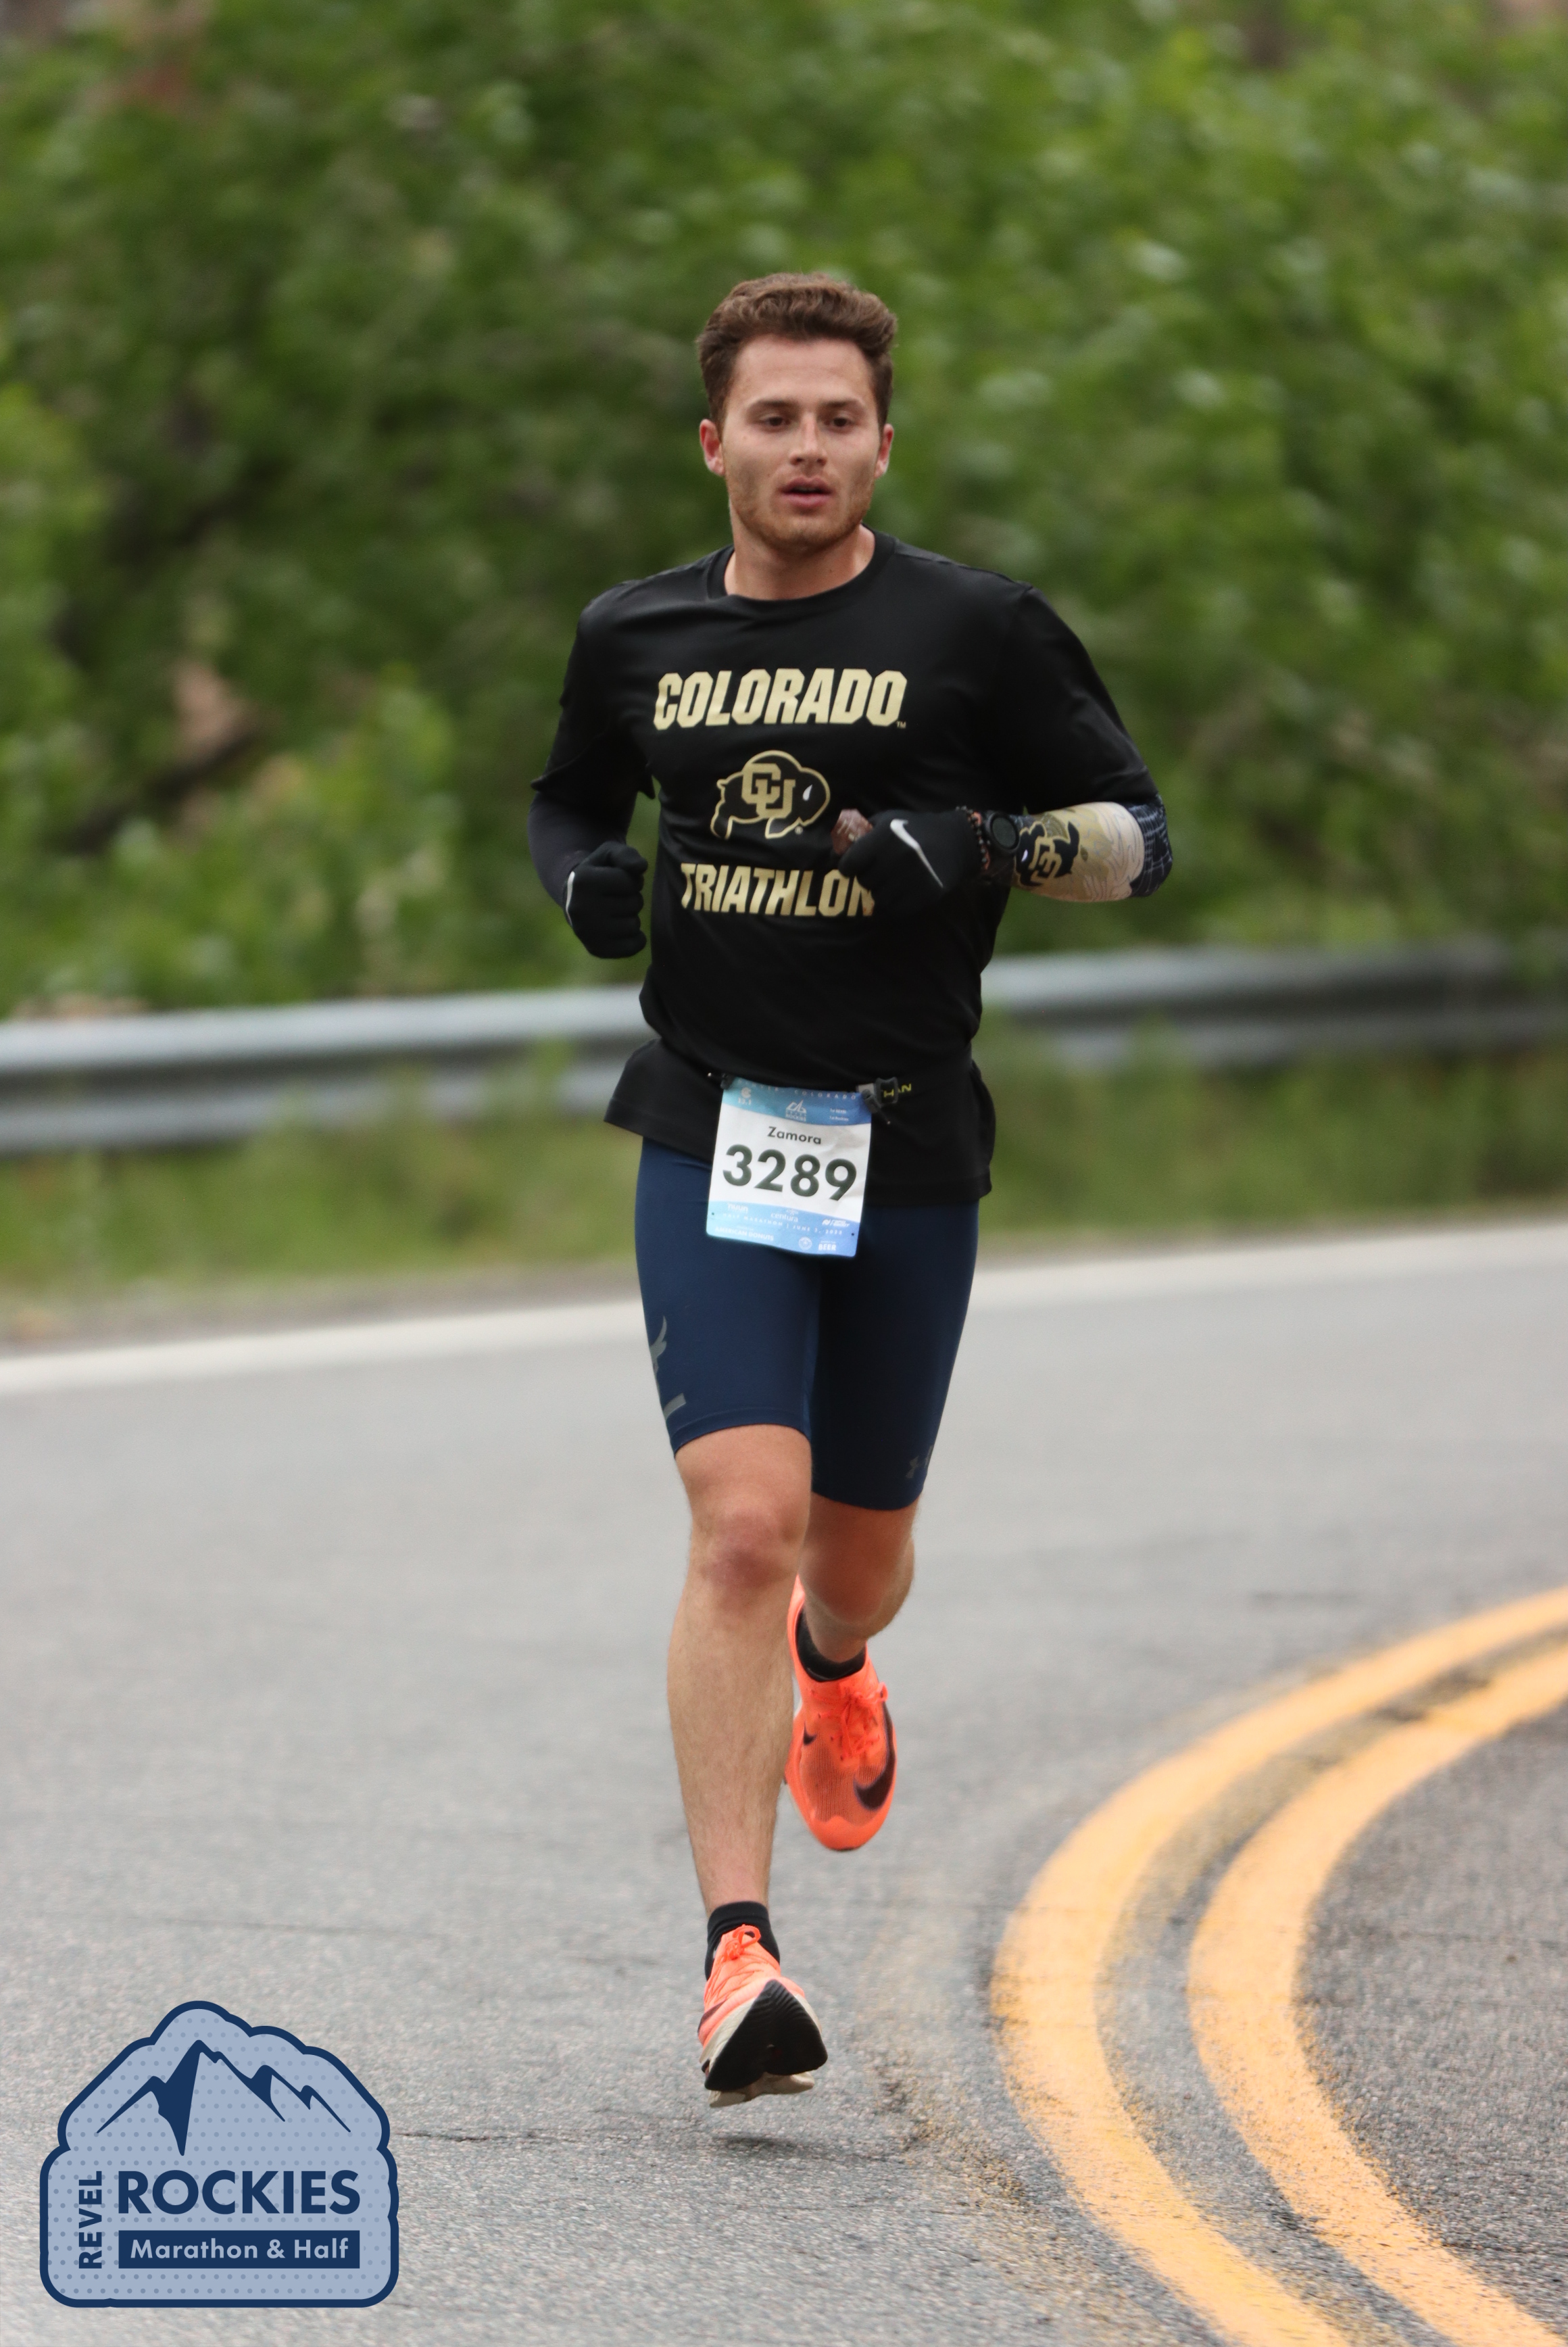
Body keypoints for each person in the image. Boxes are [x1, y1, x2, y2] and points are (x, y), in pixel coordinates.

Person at [528, 273, 1171, 2106]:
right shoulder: (635, 633)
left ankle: (837, 1659)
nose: (805, 448)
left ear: (883, 444)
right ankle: (738, 1956)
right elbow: (568, 802)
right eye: (774, 418)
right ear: (713, 440)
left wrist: (977, 845)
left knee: (855, 1557)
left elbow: (1138, 844)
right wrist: (584, 883)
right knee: (744, 1523)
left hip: (904, 1139)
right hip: (713, 1125)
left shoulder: (976, 630)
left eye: (838, 420)